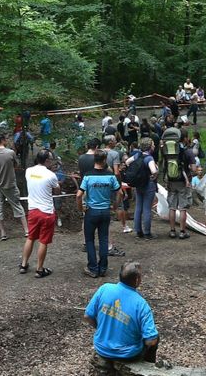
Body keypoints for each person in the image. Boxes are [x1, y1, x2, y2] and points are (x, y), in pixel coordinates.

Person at [84, 262, 160, 375]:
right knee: (156, 337)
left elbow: (87, 316)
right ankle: (147, 368)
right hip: (127, 355)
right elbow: (151, 341)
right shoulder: (141, 304)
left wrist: (100, 328)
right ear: (137, 280)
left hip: (102, 348)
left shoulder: (104, 289)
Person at [78, 150, 122, 278]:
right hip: (105, 211)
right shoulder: (110, 176)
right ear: (105, 160)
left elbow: (79, 195)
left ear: (94, 160)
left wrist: (81, 208)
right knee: (103, 239)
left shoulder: (88, 176)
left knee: (90, 240)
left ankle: (92, 268)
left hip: (91, 211)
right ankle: (103, 268)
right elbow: (120, 193)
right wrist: (115, 205)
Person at [20, 149, 61, 278]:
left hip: (33, 210)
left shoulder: (29, 171)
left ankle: (24, 264)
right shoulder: (51, 175)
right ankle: (39, 269)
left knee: (31, 237)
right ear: (47, 160)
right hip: (46, 212)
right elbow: (57, 190)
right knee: (43, 241)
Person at [0, 131, 27, 240]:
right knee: (17, 205)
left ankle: (3, 233)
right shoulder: (10, 153)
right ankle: (26, 230)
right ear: (3, 140)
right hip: (9, 183)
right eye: (5, 139)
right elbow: (16, 164)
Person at [160, 130, 196, 239]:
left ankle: (172, 231)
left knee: (172, 207)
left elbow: (163, 164)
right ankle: (182, 231)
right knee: (183, 208)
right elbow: (194, 169)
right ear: (184, 138)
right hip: (183, 182)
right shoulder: (188, 152)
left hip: (171, 180)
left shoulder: (166, 151)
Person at [124, 141, 159, 240]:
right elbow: (153, 171)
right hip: (148, 184)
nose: (154, 146)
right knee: (147, 208)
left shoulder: (137, 156)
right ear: (149, 147)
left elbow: (127, 162)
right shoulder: (149, 158)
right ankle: (147, 233)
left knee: (138, 207)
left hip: (138, 184)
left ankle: (138, 231)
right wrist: (154, 175)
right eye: (153, 144)